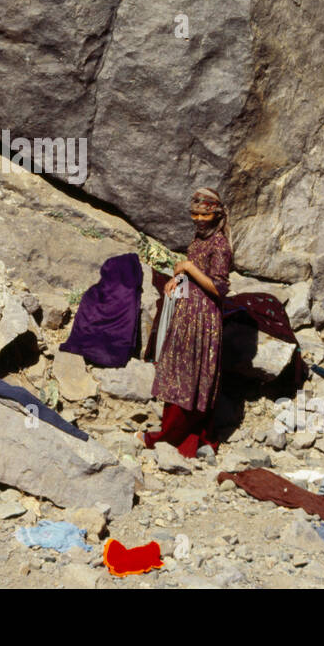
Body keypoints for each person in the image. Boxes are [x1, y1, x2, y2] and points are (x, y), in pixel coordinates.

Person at [137, 187, 233, 460]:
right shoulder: (199, 239)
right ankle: (183, 434)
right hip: (187, 314)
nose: (199, 220)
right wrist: (178, 278)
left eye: (204, 215)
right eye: (194, 214)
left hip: (204, 318)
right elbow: (194, 269)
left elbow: (219, 287)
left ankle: (174, 436)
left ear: (216, 215)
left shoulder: (220, 245)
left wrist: (188, 268)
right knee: (181, 373)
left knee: (191, 376)